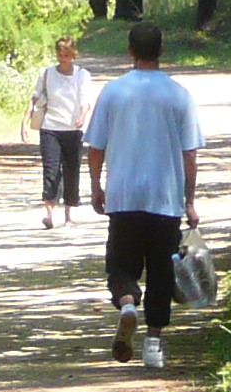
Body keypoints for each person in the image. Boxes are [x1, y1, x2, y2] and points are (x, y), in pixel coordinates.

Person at [85, 20, 202, 369]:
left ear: (130, 52)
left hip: (123, 196)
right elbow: (190, 154)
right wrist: (190, 201)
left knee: (121, 265)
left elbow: (95, 146)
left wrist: (95, 185)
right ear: (162, 51)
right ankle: (153, 343)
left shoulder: (113, 92)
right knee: (162, 273)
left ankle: (127, 304)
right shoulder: (179, 94)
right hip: (164, 198)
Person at [28, 35, 94, 230]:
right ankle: (49, 212)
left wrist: (82, 115)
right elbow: (35, 98)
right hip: (50, 127)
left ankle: (68, 214)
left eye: (66, 54)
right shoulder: (47, 73)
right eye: (59, 54)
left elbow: (85, 99)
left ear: (73, 54)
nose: (62, 58)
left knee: (71, 170)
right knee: (51, 169)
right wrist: (26, 121)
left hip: (72, 129)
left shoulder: (82, 75)